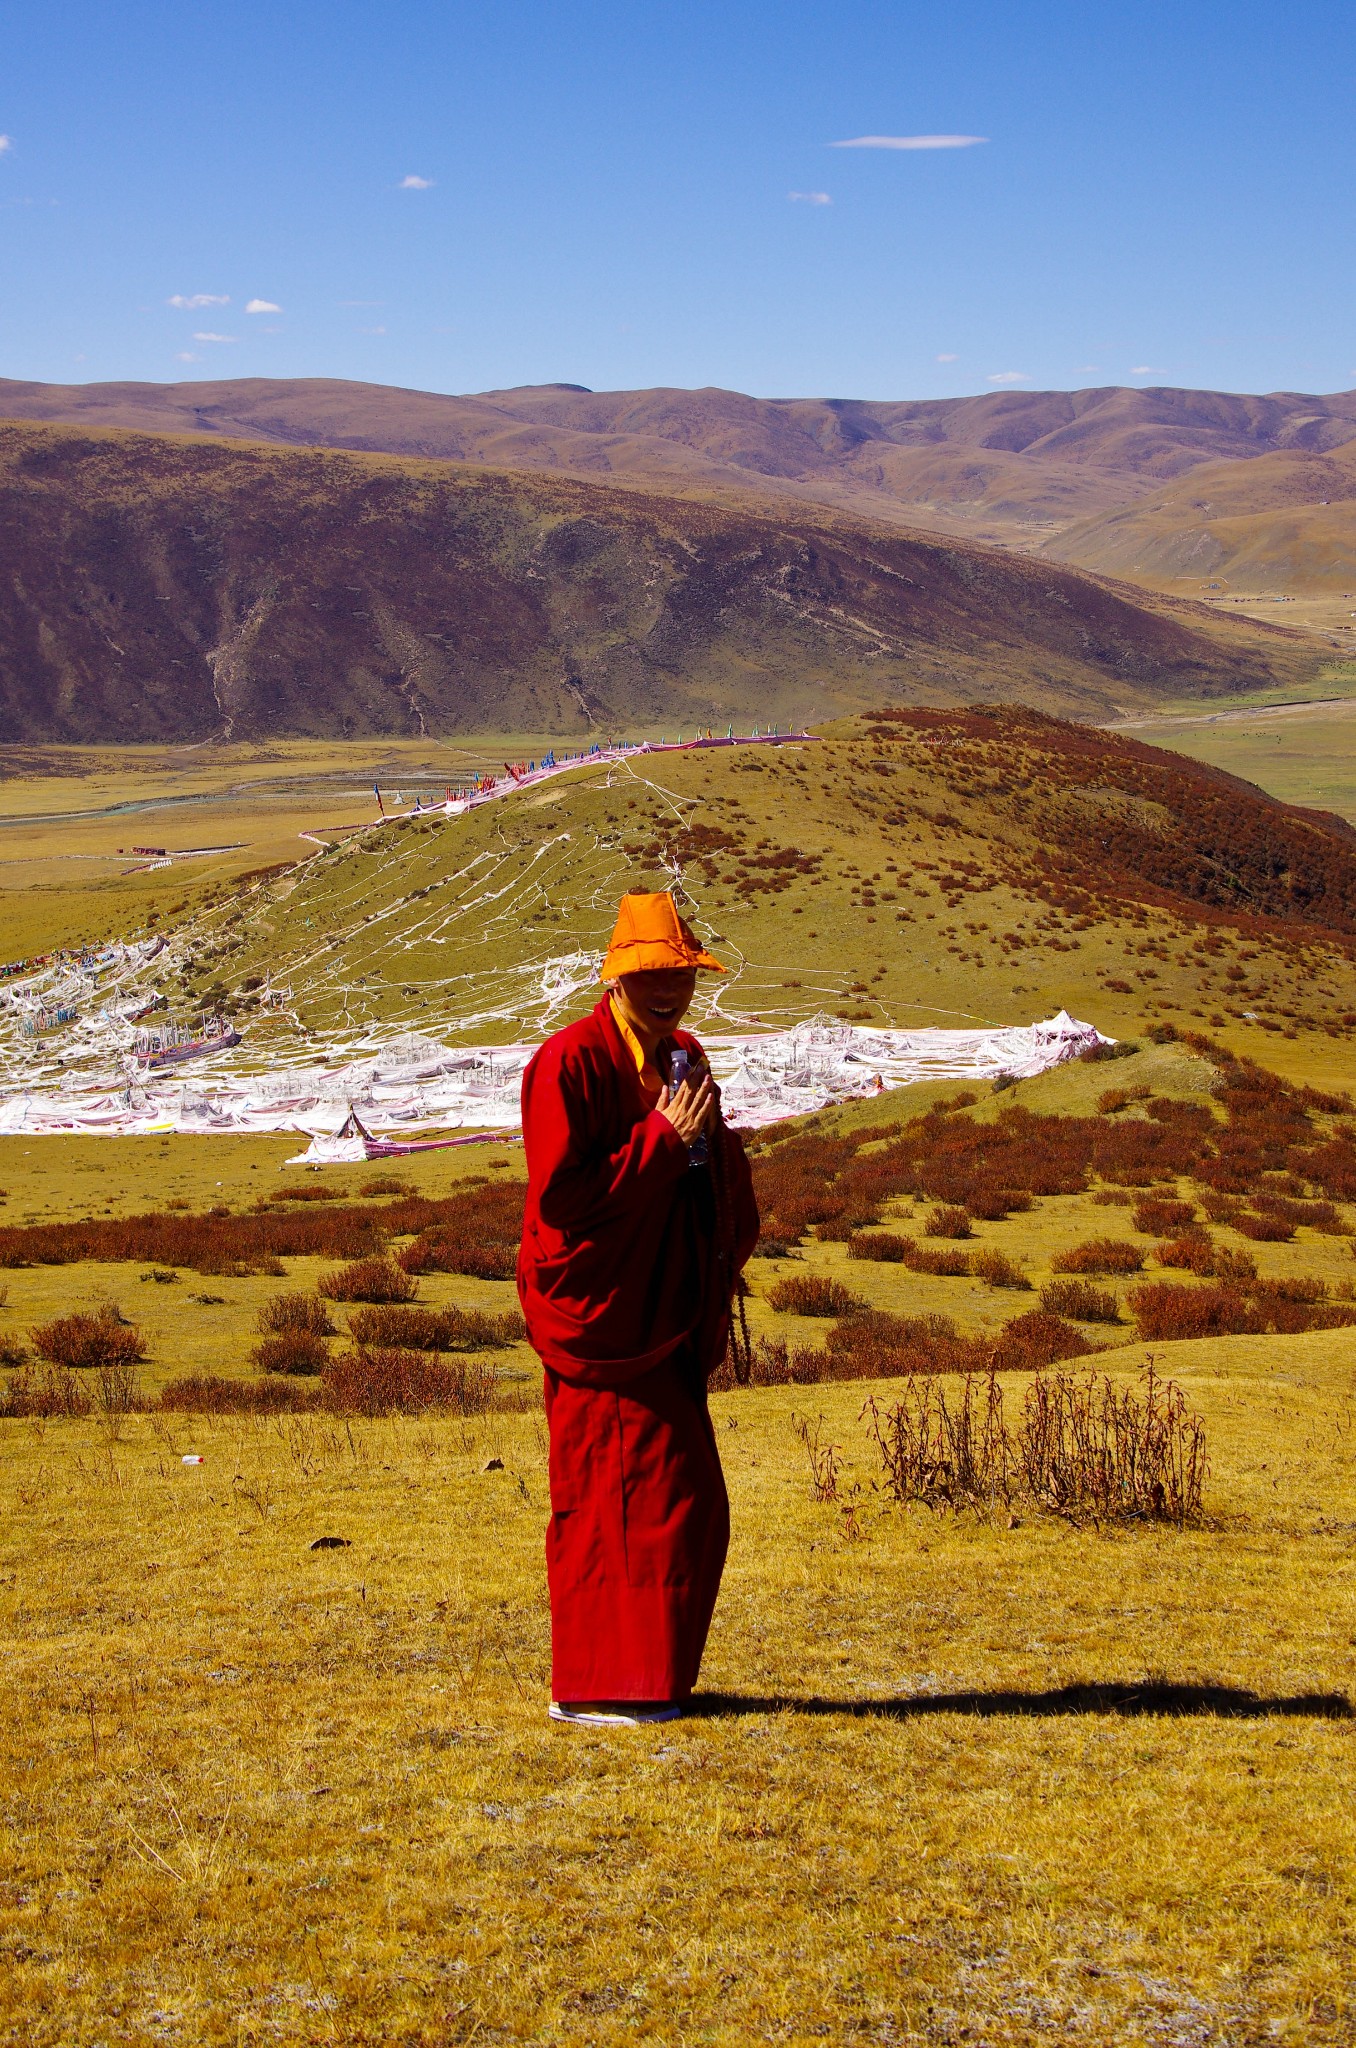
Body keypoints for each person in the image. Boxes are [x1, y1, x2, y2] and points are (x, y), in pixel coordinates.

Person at [517, 890, 759, 1727]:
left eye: (680, 975)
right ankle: (596, 1687)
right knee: (610, 1502)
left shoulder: (684, 1054)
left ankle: (651, 1678)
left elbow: (704, 1164)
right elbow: (562, 1201)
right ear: (614, 976)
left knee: (683, 1501)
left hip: (661, 1306)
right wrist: (661, 1140)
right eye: (650, 973)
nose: (668, 990)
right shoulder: (568, 1064)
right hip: (603, 1316)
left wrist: (705, 1146)